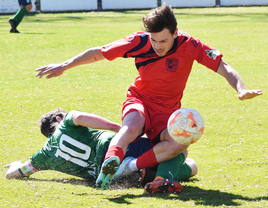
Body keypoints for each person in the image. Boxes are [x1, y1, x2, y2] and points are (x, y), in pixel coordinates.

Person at [35, 4, 262, 192]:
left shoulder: (191, 45)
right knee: (132, 126)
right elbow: (99, 52)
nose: (157, 46)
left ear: (175, 33)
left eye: (163, 41)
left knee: (179, 145)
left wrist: (240, 88)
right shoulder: (139, 42)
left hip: (167, 114)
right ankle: (111, 162)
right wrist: (64, 66)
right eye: (154, 40)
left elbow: (222, 65)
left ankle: (128, 168)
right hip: (139, 99)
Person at [4, 108, 198, 193]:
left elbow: (16, 174)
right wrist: (119, 129)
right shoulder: (65, 123)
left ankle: (145, 174)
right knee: (180, 150)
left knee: (191, 167)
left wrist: (16, 165)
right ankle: (154, 176)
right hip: (112, 149)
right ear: (58, 119)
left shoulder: (44, 156)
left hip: (103, 176)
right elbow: (80, 117)